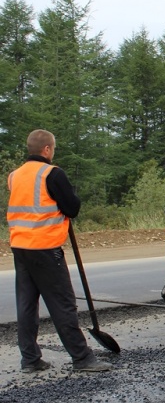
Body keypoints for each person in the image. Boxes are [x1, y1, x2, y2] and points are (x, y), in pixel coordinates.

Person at [6, 129, 113, 373]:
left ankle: (30, 360)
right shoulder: (51, 173)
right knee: (63, 303)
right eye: (53, 148)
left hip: (20, 246)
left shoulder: (15, 175)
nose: (53, 152)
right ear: (47, 150)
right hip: (45, 248)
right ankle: (82, 358)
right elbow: (72, 208)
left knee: (26, 305)